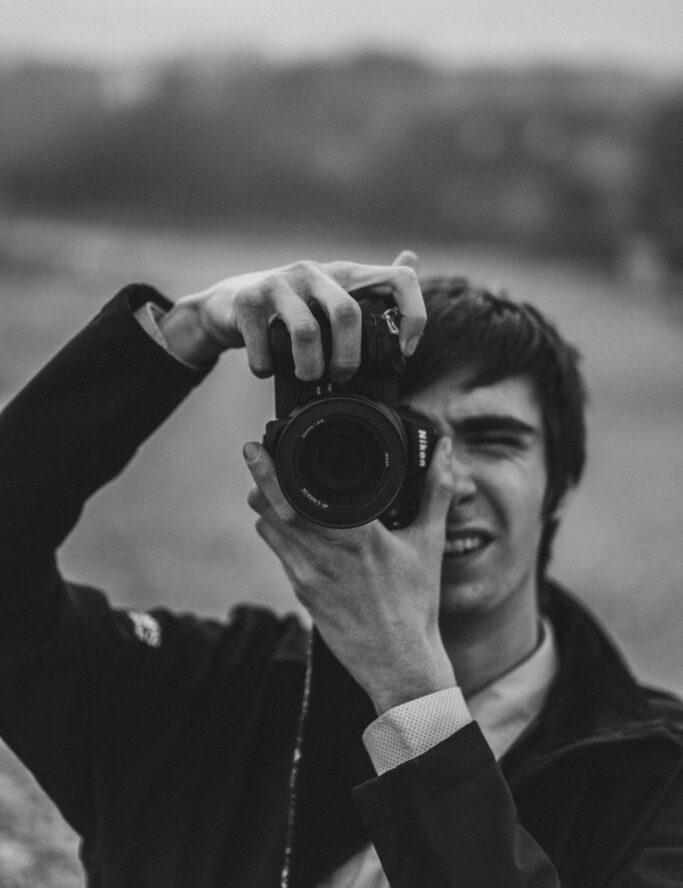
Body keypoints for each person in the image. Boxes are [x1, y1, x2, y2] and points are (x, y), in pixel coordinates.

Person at [0, 252, 681, 888]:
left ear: (559, 484)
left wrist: (410, 691)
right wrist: (187, 329)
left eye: (493, 441)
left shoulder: (656, 779)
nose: (449, 481)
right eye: (403, 438)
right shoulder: (209, 700)